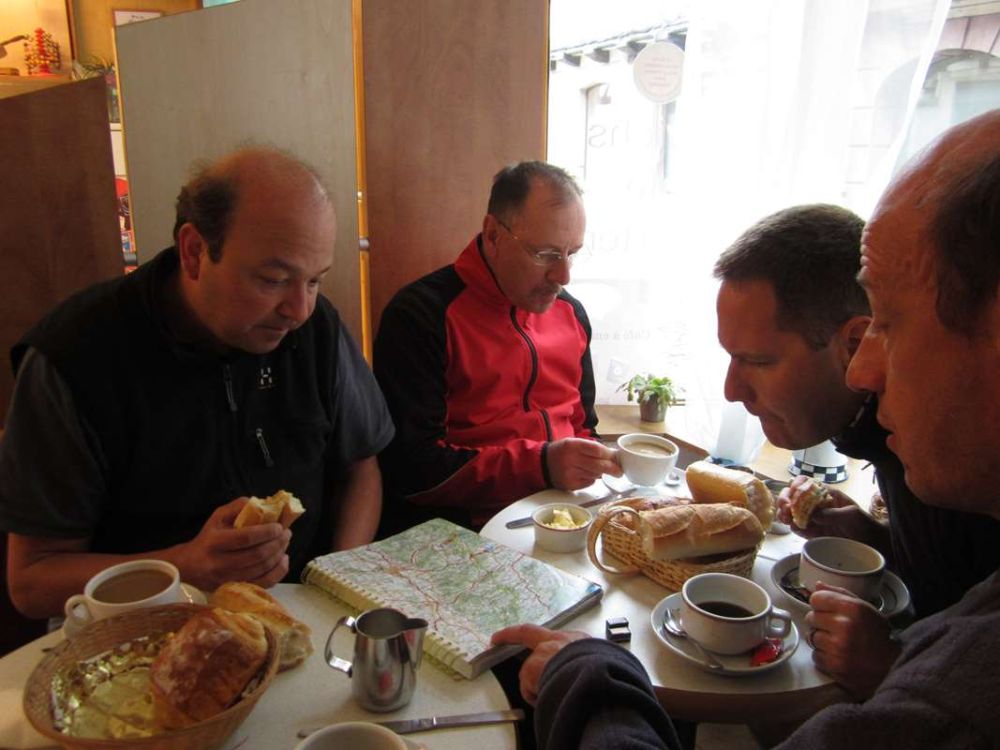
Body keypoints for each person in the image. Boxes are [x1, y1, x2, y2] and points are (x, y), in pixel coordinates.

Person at [493, 110, 1000, 749]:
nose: (868, 372)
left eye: (890, 326)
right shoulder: (930, 469)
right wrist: (880, 541)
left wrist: (895, 668)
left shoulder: (952, 485)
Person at [0, 147, 394, 618]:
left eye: (315, 281)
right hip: (144, 628)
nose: (299, 311)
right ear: (194, 252)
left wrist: (337, 581)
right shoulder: (74, 357)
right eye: (273, 279)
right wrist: (184, 566)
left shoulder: (316, 328)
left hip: (300, 614)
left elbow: (361, 466)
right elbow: (31, 582)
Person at [713, 204, 1000, 697]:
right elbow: (954, 577)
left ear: (853, 343)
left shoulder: (951, 461)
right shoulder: (875, 436)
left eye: (757, 361)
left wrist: (892, 667)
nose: (731, 390)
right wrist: (875, 538)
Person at [374, 161, 619, 532]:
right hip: (464, 528)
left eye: (572, 252)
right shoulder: (421, 315)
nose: (564, 275)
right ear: (492, 235)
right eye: (546, 254)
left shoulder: (572, 313)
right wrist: (542, 464)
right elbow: (411, 471)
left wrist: (592, 462)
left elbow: (583, 427)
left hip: (564, 518)